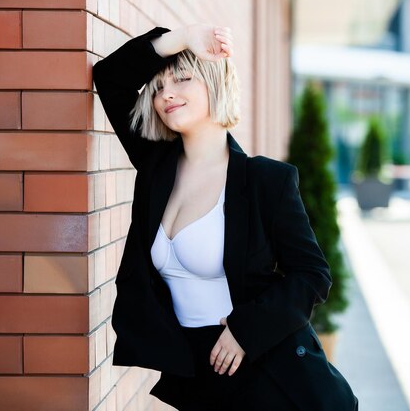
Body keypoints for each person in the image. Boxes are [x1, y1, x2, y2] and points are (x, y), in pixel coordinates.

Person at [92, 24, 358, 411]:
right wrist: (182, 40)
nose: (167, 93)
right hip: (200, 379)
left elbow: (312, 275)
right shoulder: (155, 168)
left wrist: (245, 331)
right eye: (159, 86)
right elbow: (110, 78)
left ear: (215, 82)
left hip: (273, 374)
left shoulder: (265, 181)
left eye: (183, 78)